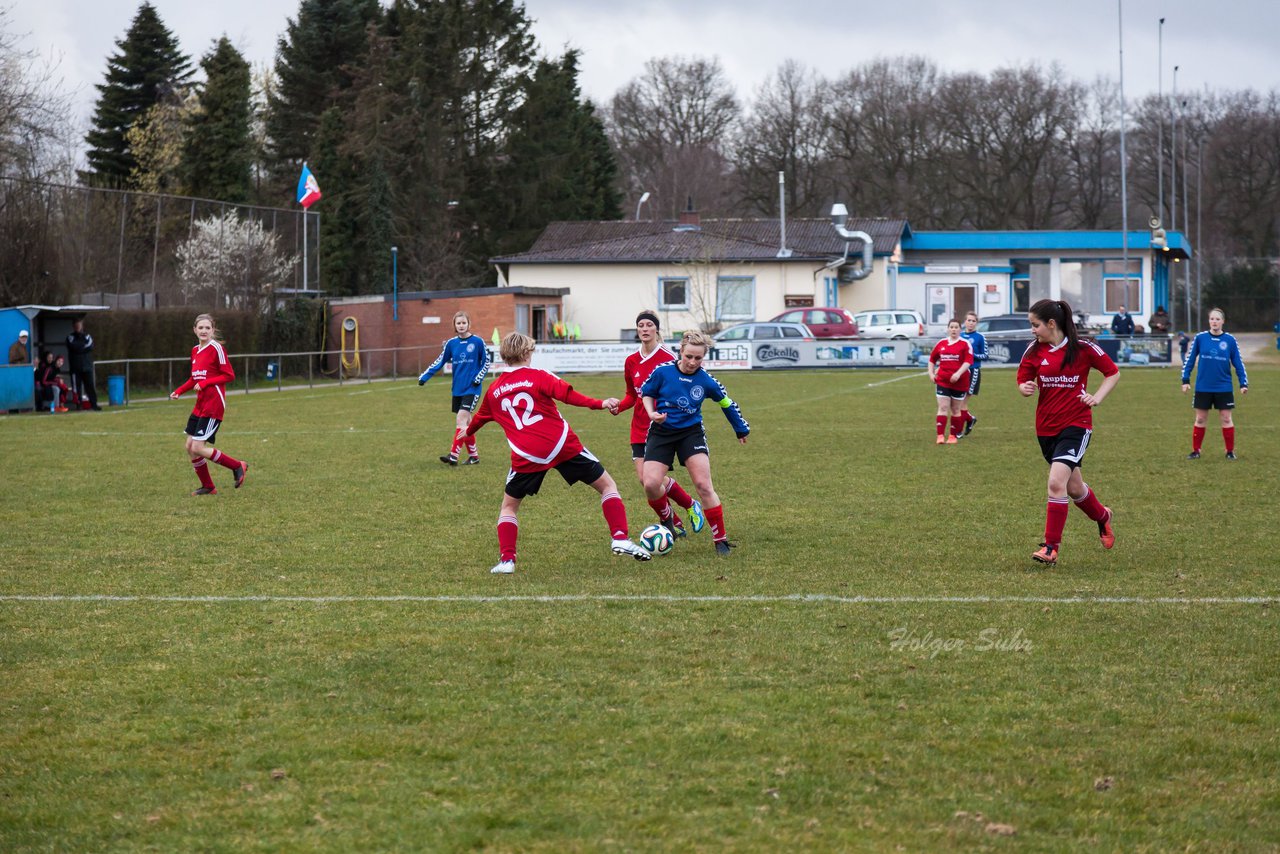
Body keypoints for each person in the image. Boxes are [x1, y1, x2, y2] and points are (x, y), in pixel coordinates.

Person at [464, 331, 651, 574]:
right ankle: (619, 537)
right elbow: (568, 395)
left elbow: (479, 418)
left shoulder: (494, 390)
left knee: (509, 507)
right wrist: (600, 403)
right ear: (525, 353)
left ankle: (507, 561)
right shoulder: (538, 376)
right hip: (560, 443)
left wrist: (466, 432)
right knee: (607, 486)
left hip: (527, 454)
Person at [1017, 299, 1119, 566]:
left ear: (1051, 324)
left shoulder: (1083, 348)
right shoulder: (1034, 350)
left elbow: (1112, 372)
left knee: (1055, 483)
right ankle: (1102, 517)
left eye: (1035, 325)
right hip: (1046, 428)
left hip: (1076, 425)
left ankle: (1051, 547)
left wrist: (1096, 397)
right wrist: (1024, 387)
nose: (1033, 330)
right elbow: (1023, 378)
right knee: (1074, 488)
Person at [639, 330, 750, 557]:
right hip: (662, 432)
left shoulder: (706, 380)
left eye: (698, 358)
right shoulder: (663, 372)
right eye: (689, 356)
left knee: (703, 485)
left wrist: (740, 428)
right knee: (650, 484)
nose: (692, 362)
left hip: (691, 433)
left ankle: (720, 540)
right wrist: (651, 413)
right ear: (681, 351)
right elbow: (647, 393)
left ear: (703, 358)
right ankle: (667, 518)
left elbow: (727, 403)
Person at [612, 310, 705, 539]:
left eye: (649, 325)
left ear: (656, 329)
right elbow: (631, 395)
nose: (644, 329)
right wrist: (619, 407)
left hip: (663, 428)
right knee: (646, 481)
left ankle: (684, 510)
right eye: (640, 325)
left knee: (650, 480)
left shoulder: (667, 359)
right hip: (639, 427)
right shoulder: (631, 361)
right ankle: (673, 519)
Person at [170, 314, 248, 495]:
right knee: (189, 446)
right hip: (200, 404)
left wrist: (206, 383)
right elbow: (194, 378)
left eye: (207, 328)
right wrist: (179, 391)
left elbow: (229, 375)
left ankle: (238, 466)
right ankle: (208, 486)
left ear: (213, 330)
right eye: (201, 328)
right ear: (194, 330)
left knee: (197, 447)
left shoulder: (217, 348)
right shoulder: (195, 350)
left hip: (214, 405)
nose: (204, 331)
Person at [418, 311, 490, 465]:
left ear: (469, 324)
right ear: (454, 326)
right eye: (458, 323)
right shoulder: (451, 343)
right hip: (457, 389)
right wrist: (425, 376)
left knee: (460, 420)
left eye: (464, 323)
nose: (461, 325)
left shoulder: (478, 342)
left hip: (472, 389)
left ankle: (453, 456)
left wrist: (478, 378)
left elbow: (486, 362)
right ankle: (474, 457)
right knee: (466, 424)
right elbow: (440, 361)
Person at [1181, 307, 1248, 461]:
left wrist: (1243, 383)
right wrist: (1185, 380)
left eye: (1218, 319)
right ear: (1209, 321)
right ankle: (1196, 451)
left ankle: (1229, 451)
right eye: (1212, 319)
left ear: (1223, 322)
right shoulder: (1200, 338)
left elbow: (1238, 363)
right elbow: (1189, 360)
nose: (1214, 322)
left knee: (1226, 418)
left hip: (1223, 386)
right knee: (1200, 418)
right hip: (1203, 386)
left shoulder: (1230, 340)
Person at [927, 319, 973, 444]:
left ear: (960, 329)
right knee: (943, 407)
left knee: (955, 409)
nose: (953, 329)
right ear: (948, 329)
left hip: (959, 382)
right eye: (951, 327)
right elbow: (932, 359)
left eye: (956, 327)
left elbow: (968, 361)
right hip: (942, 380)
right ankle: (940, 436)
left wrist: (958, 374)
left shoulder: (965, 344)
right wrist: (931, 373)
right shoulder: (941, 343)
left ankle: (952, 436)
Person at [957, 311, 987, 438]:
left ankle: (958, 431)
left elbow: (985, 355)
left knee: (962, 402)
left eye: (973, 321)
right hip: (960, 372)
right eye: (968, 320)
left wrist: (971, 355)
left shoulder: (980, 337)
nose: (970, 323)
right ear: (965, 322)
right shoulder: (960, 335)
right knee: (957, 402)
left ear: (976, 323)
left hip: (973, 371)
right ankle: (970, 419)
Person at [65, 318, 101, 410]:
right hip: (75, 367)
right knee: (76, 388)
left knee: (90, 386)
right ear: (73, 327)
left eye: (79, 325)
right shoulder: (70, 337)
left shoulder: (87, 336)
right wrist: (82, 347)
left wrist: (79, 347)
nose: (77, 327)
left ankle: (94, 404)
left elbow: (90, 346)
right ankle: (78, 405)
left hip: (87, 366)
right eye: (76, 325)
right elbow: (73, 347)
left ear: (82, 326)